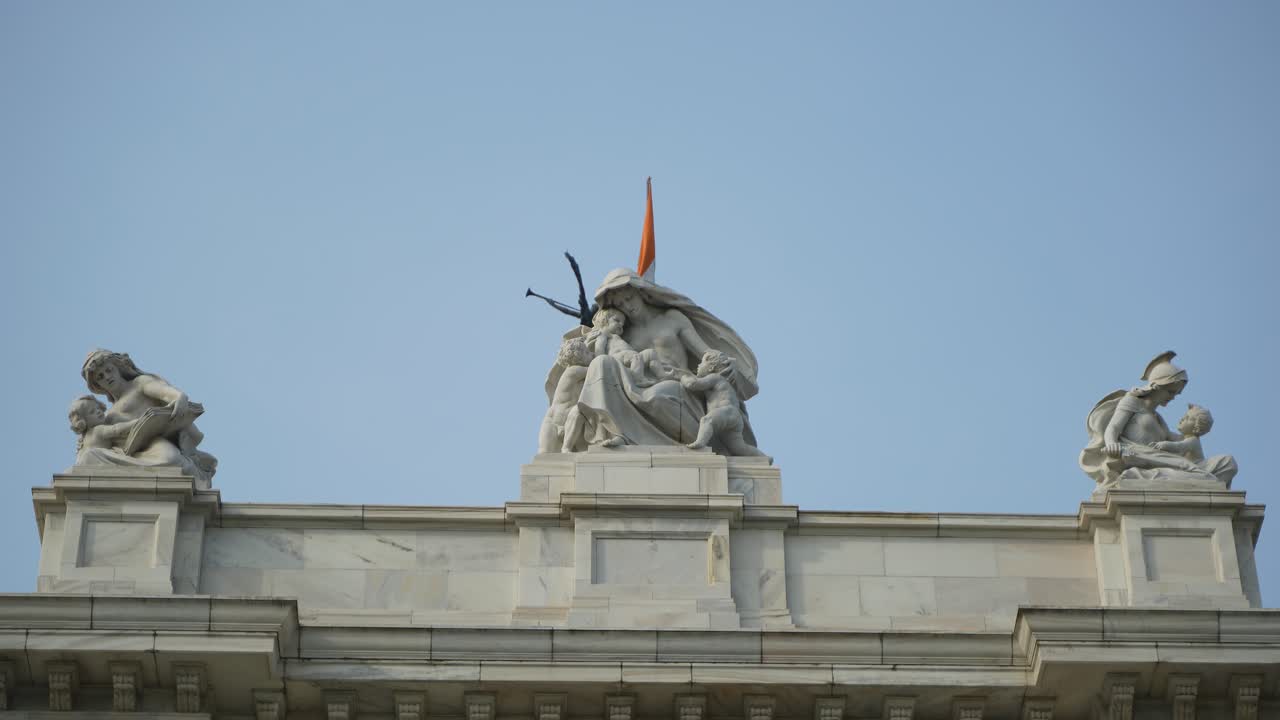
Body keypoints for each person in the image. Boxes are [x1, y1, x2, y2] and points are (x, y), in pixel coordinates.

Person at [551, 268, 762, 454]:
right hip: (637, 383)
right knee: (601, 364)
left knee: (656, 394)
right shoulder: (622, 333)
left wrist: (726, 363)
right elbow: (605, 355)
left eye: (629, 298)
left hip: (678, 385)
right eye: (621, 303)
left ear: (640, 291)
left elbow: (704, 352)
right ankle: (616, 432)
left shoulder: (672, 319)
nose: (628, 306)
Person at [1079, 352, 1236, 487]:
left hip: (1166, 463)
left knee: (1227, 463)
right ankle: (1141, 476)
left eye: (1176, 394)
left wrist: (1194, 433)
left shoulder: (1159, 419)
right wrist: (1112, 443)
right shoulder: (1133, 401)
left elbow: (1178, 442)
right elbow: (1113, 428)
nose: (1173, 397)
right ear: (1158, 386)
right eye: (1171, 392)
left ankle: (1192, 477)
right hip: (1142, 460)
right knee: (1204, 477)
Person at [80, 349, 217, 486]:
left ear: (118, 367)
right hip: (133, 453)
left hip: (155, 442)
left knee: (170, 459)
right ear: (98, 385)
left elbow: (164, 392)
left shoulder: (138, 384)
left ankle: (193, 469)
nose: (107, 377)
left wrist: (178, 396)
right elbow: (100, 440)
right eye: (100, 377)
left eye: (109, 370)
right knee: (91, 457)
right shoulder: (109, 417)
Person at [680, 350, 765, 456]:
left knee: (707, 420)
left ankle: (700, 443)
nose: (698, 365)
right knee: (739, 448)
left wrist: (683, 377)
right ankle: (763, 457)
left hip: (726, 412)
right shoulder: (721, 382)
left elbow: (692, 384)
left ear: (711, 368)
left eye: (701, 363)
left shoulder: (714, 378)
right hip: (733, 417)